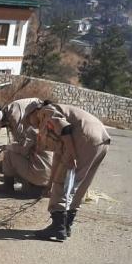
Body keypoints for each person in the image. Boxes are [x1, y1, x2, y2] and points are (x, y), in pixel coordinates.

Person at [25, 101, 111, 242]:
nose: (31, 124)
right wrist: (49, 184)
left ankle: (58, 227)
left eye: (28, 119)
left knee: (63, 181)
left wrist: (72, 154)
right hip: (101, 140)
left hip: (83, 138)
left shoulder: (46, 111)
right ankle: (66, 225)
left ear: (34, 112)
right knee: (81, 184)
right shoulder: (59, 117)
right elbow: (57, 157)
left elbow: (65, 129)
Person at [0, 98, 53, 196]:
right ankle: (35, 185)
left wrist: (7, 147)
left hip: (40, 174)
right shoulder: (45, 129)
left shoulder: (28, 128)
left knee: (9, 155)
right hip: (50, 178)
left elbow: (23, 149)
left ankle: (8, 187)